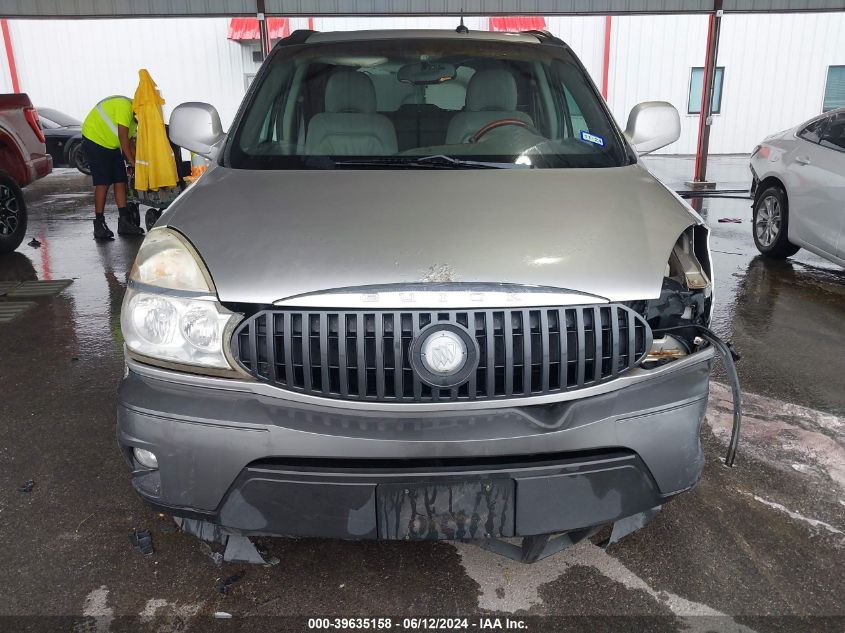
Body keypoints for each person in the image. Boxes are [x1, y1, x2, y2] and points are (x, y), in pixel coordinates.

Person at [80, 95, 144, 239]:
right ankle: (99, 224)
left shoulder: (135, 119)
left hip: (110, 144)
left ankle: (124, 222)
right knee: (103, 182)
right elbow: (122, 137)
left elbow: (130, 142)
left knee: (120, 179)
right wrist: (132, 162)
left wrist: (138, 163)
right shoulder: (125, 107)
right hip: (94, 139)